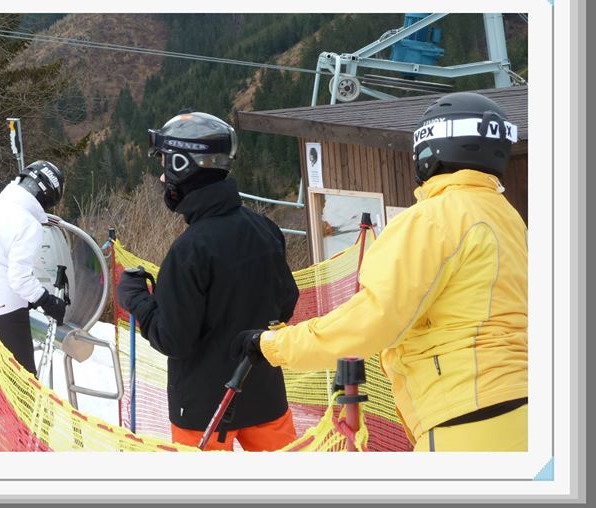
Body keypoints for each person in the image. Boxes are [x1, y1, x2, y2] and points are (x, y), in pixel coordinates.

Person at [233, 92, 528, 452]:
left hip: (465, 412)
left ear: (430, 150)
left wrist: (274, 345)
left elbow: (372, 320)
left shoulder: (431, 219)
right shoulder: (506, 216)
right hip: (523, 404)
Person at [117, 111, 299, 451]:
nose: (162, 177)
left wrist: (136, 298)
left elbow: (173, 339)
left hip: (203, 411)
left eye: (166, 164)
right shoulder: (265, 229)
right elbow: (286, 304)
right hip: (264, 394)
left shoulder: (190, 250)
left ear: (183, 166)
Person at [0, 160, 68, 376]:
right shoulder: (28, 224)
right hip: (3, 312)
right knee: (21, 380)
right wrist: (46, 300)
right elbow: (19, 278)